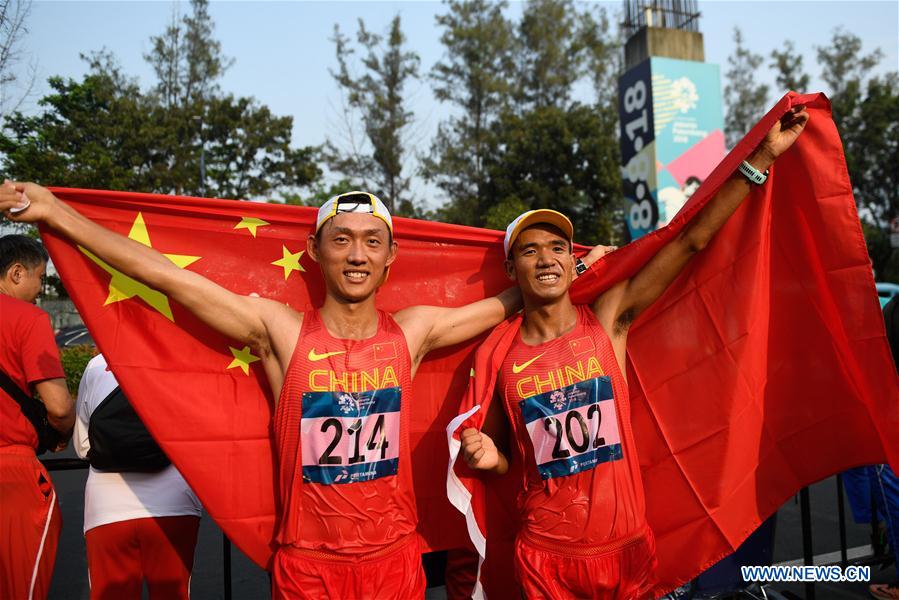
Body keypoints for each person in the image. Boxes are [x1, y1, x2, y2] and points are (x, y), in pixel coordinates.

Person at [0, 186, 608, 599]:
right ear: (315, 251)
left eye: (372, 241)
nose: (357, 254)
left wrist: (576, 271)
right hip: (308, 570)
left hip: (393, 565)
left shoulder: (413, 332)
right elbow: (165, 276)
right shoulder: (282, 331)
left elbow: (511, 299)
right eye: (341, 239)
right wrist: (57, 215)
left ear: (391, 257)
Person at [455, 105, 809, 598]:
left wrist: (761, 159)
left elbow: (689, 243)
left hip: (627, 551)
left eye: (558, 248)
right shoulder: (501, 359)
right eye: (530, 250)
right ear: (513, 270)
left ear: (572, 261)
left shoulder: (606, 319)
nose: (546, 258)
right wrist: (487, 457)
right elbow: (502, 465)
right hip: (546, 557)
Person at [74, 353, 202, 600]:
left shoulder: (97, 364)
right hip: (174, 501)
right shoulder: (181, 359)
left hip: (106, 505)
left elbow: (82, 446)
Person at [0, 234, 75, 600]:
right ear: (17, 273)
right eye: (40, 278)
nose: (40, 289)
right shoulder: (27, 318)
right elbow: (59, 406)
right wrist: (60, 432)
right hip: (11, 473)